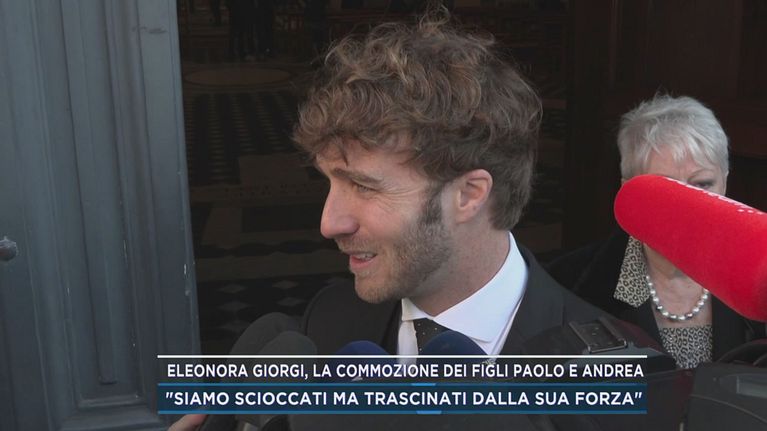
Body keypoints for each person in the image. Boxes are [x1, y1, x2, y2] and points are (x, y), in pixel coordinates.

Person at [294, 10, 604, 357]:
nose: (329, 224)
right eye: (331, 183)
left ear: (469, 195)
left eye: (364, 187)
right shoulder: (328, 321)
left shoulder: (613, 372)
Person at [547, 95, 765, 369]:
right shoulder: (570, 285)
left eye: (703, 184)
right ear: (629, 192)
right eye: (667, 189)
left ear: (725, 182)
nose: (690, 208)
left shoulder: (757, 276)